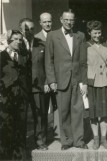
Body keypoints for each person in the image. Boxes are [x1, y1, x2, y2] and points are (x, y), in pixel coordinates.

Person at [45, 9, 88, 150]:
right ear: (61, 20)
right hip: (61, 80)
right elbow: (48, 60)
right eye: (66, 19)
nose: (69, 22)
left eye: (72, 20)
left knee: (78, 111)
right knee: (63, 112)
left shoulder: (80, 36)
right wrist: (51, 80)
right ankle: (66, 141)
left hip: (76, 79)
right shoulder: (52, 35)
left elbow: (83, 62)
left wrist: (84, 82)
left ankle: (79, 140)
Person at [82, 20, 107, 150]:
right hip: (92, 83)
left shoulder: (105, 45)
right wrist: (84, 83)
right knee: (93, 113)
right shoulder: (85, 46)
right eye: (94, 33)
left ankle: (104, 139)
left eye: (99, 32)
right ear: (89, 33)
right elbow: (82, 66)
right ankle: (96, 138)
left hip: (105, 82)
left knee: (105, 113)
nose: (97, 35)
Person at [20, 18, 50, 150]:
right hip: (21, 87)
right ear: (21, 30)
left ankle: (40, 141)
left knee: (40, 115)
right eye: (26, 29)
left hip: (39, 85)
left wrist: (48, 81)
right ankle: (21, 143)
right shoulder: (16, 44)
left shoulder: (42, 44)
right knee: (22, 115)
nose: (29, 31)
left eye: (32, 29)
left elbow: (48, 65)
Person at [0, 30, 28, 160]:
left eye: (20, 39)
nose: (18, 42)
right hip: (6, 99)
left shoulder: (24, 56)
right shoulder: (2, 57)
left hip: (21, 99)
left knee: (20, 129)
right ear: (9, 40)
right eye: (15, 39)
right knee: (7, 129)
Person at [35, 12, 60, 140]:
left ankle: (60, 136)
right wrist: (45, 81)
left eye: (49, 21)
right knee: (43, 111)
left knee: (59, 108)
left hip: (57, 79)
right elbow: (39, 64)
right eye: (44, 22)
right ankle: (43, 139)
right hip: (43, 82)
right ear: (40, 23)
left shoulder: (57, 36)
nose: (47, 24)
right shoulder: (36, 39)